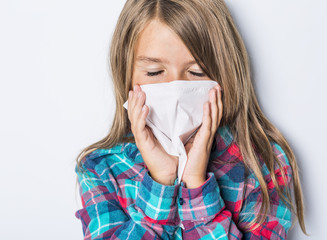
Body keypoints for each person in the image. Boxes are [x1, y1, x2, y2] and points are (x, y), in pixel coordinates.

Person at [74, 0, 308, 239]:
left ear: (225, 74)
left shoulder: (263, 166)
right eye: (154, 72)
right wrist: (161, 183)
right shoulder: (100, 170)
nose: (175, 91)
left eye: (197, 73)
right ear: (125, 74)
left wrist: (197, 185)